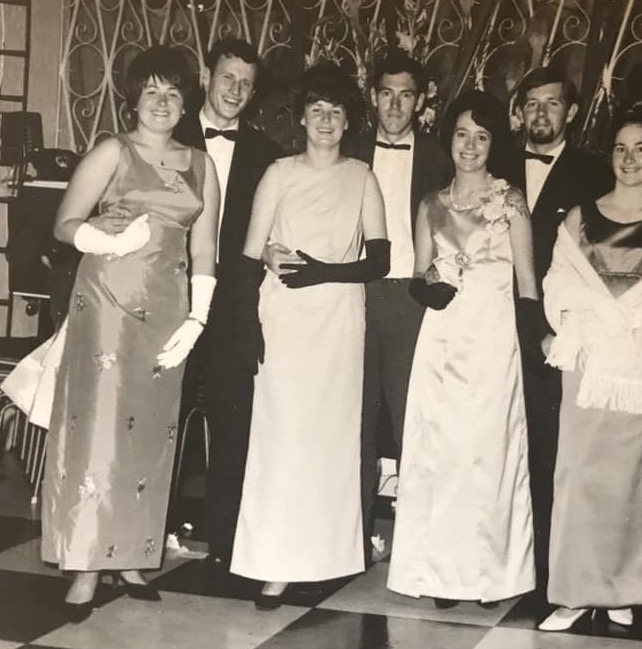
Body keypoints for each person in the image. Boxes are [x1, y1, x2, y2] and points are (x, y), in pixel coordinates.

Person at [40, 46, 219, 622]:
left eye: (173, 93)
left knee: (151, 433)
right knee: (102, 427)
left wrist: (198, 317)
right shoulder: (112, 151)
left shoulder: (201, 164)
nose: (162, 103)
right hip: (109, 303)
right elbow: (64, 224)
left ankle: (132, 554)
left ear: (186, 102)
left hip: (168, 310)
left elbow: (205, 248)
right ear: (133, 100)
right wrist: (109, 241)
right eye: (151, 92)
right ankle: (87, 564)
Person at [229, 64, 389, 609]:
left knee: (330, 441)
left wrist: (324, 272)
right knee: (283, 439)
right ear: (301, 118)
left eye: (335, 111)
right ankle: (274, 564)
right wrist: (249, 324)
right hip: (285, 321)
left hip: (339, 321)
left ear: (348, 120)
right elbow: (248, 256)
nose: (325, 120)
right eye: (316, 110)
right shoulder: (278, 173)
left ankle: (325, 559)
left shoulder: (362, 177)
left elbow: (380, 260)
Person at [538, 107, 642, 631]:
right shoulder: (580, 218)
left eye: (641, 148)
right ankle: (574, 593)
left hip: (639, 367)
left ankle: (622, 589)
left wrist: (631, 321)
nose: (630, 159)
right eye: (621, 148)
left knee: (633, 481)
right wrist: (593, 316)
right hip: (587, 360)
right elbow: (558, 282)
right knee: (580, 477)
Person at [387, 90, 537, 607]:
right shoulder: (430, 204)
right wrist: (428, 288)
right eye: (461, 135)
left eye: (481, 136)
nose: (470, 146)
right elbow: (418, 274)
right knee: (443, 455)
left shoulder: (511, 202)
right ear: (448, 139)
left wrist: (531, 344)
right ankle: (443, 574)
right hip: (443, 341)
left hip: (493, 341)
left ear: (494, 145)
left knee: (489, 455)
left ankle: (489, 575)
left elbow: (527, 285)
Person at [173, 38, 280, 568]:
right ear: (206, 76)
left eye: (245, 83)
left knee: (233, 422)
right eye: (227, 77)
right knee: (161, 416)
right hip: (169, 299)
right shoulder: (169, 135)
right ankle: (149, 528)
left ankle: (225, 540)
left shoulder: (266, 154)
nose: (234, 90)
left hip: (235, 307)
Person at [507, 66, 612, 595]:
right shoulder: (494, 162)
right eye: (532, 103)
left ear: (570, 111)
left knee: (550, 448)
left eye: (552, 103)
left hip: (556, 331)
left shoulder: (595, 174)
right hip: (492, 325)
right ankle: (499, 562)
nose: (541, 113)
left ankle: (547, 569)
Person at [346, 51, 449, 568]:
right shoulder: (348, 150)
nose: (394, 105)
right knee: (355, 420)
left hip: (412, 301)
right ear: (373, 96)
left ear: (421, 100)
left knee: (417, 421)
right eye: (386, 93)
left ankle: (422, 549)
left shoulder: (441, 157)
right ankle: (351, 541)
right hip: (355, 296)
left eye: (406, 95)